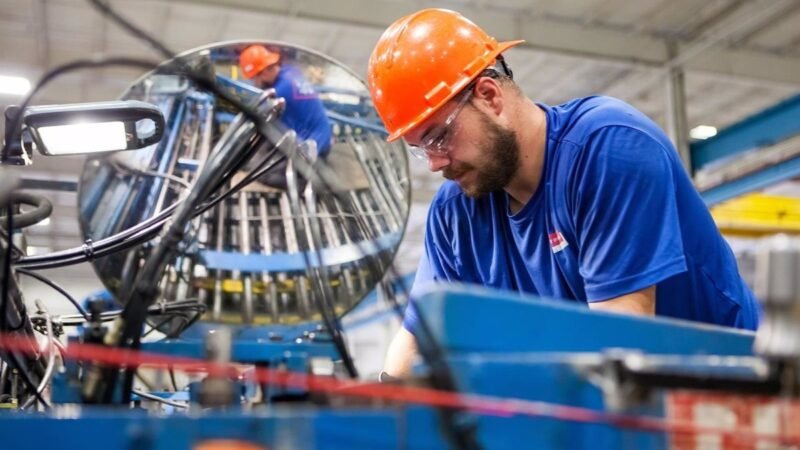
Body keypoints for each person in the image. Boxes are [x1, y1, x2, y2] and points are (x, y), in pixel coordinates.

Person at [367, 9, 761, 378]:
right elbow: (418, 340)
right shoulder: (456, 213)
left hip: (727, 394)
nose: (435, 163)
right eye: (421, 148)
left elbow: (619, 344)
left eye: (439, 136)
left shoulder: (607, 149)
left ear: (490, 97)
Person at [239, 45, 333, 189]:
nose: (254, 83)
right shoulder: (291, 72)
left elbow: (260, 121)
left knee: (259, 172)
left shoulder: (279, 94)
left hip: (313, 149)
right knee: (261, 151)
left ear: (264, 72)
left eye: (254, 78)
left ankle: (311, 183)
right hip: (322, 136)